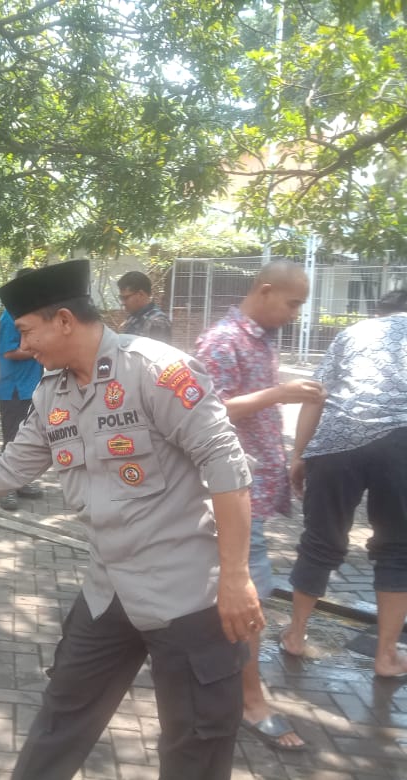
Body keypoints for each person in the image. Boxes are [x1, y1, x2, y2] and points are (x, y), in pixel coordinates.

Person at [0, 259, 262, 779]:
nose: (23, 344)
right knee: (61, 719)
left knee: (196, 743)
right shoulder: (51, 392)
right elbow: (13, 466)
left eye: (26, 330)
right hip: (110, 588)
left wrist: (236, 576)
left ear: (63, 321)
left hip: (187, 592)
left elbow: (226, 464)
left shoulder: (155, 370)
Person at [195, 260, 321, 752]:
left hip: (253, 489)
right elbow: (208, 411)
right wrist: (280, 393)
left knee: (232, 595)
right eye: (292, 303)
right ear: (265, 291)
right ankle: (249, 700)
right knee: (249, 596)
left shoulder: (261, 339)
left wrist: (289, 459)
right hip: (233, 495)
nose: (295, 314)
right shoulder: (223, 341)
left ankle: (209, 675)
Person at [280, 288, 407, 680]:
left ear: (378, 313)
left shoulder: (352, 334)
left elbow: (315, 397)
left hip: (337, 442)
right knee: (399, 550)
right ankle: (386, 656)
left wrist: (299, 455)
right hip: (401, 443)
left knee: (320, 539)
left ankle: (295, 635)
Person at [0, 268, 44, 511]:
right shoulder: (10, 316)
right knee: (12, 440)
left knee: (25, 439)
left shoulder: (30, 314)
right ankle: (5, 489)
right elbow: (9, 352)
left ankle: (21, 482)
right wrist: (38, 349)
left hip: (30, 388)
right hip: (14, 388)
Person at [118, 270, 172, 343]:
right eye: (121, 298)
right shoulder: (133, 317)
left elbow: (158, 350)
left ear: (140, 294)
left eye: (126, 298)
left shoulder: (157, 321)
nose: (123, 302)